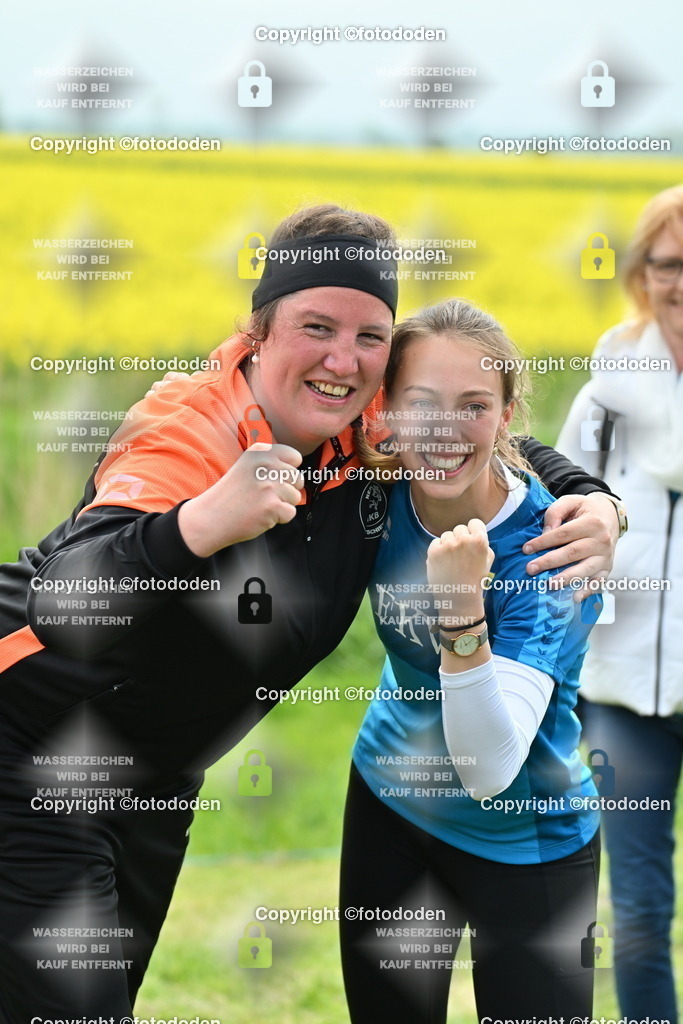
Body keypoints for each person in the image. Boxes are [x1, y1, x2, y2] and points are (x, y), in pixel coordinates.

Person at [0, 203, 621, 1019]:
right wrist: (198, 524)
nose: (343, 358)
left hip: (154, 781)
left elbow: (476, 427)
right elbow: (64, 598)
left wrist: (594, 500)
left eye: (370, 337)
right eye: (316, 326)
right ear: (258, 330)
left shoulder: (360, 419)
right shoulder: (190, 429)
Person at [340, 298, 605, 1024]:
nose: (443, 431)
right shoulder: (372, 482)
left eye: (473, 405)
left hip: (527, 846)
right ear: (383, 411)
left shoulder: (550, 556)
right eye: (420, 403)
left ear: (507, 413)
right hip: (389, 805)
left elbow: (488, 771)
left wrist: (461, 610)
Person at [556, 184, 683, 1024]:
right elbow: (558, 511)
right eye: (669, 262)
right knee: (637, 910)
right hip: (620, 690)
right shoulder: (607, 392)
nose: (682, 281)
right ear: (642, 274)